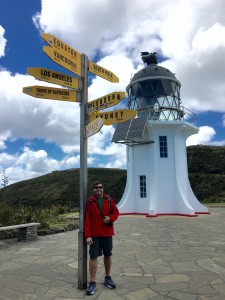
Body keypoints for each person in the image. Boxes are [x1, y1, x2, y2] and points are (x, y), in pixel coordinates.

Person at [84, 181, 119, 296]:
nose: (99, 189)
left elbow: (116, 212)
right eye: (96, 187)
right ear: (93, 190)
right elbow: (87, 219)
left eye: (100, 187)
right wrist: (87, 235)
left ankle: (107, 277)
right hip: (95, 235)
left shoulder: (109, 200)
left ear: (103, 189)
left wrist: (111, 218)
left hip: (107, 233)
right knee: (93, 256)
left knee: (108, 254)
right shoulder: (89, 202)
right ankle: (92, 282)